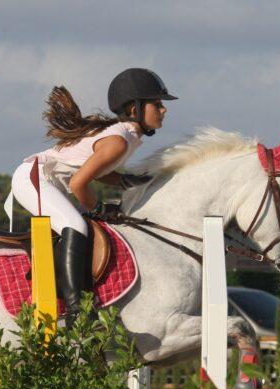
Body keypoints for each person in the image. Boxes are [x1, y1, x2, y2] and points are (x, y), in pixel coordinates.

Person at [10, 68, 176, 323]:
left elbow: (92, 170)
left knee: (82, 225)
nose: (163, 110)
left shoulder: (124, 136)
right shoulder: (119, 140)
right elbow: (78, 183)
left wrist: (123, 180)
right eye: (157, 104)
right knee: (76, 224)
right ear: (135, 109)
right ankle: (78, 312)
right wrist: (98, 208)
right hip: (33, 179)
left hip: (44, 180)